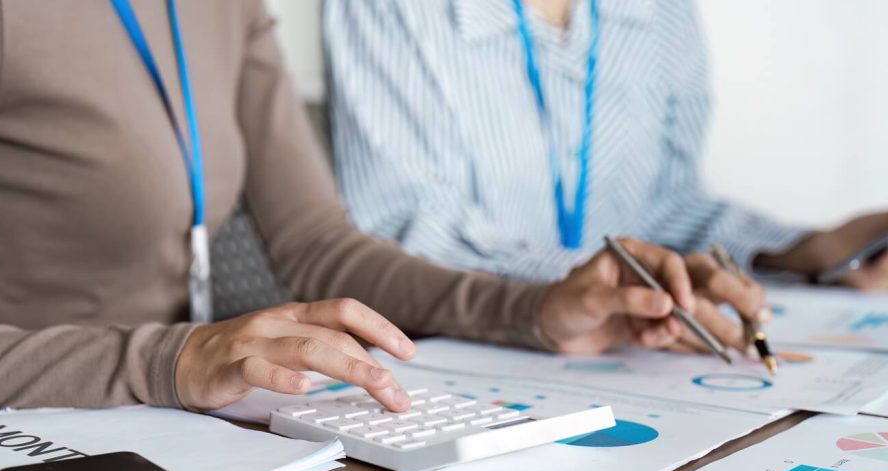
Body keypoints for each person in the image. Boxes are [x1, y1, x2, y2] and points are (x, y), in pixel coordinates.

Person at [0, 0, 762, 434]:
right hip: (21, 441)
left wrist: (530, 310)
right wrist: (174, 355)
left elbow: (320, 247)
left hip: (198, 436)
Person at [324, 0, 888, 287]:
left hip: (629, 359)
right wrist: (613, 283)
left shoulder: (658, 11)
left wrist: (792, 249)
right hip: (449, 365)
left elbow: (666, 207)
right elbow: (401, 232)